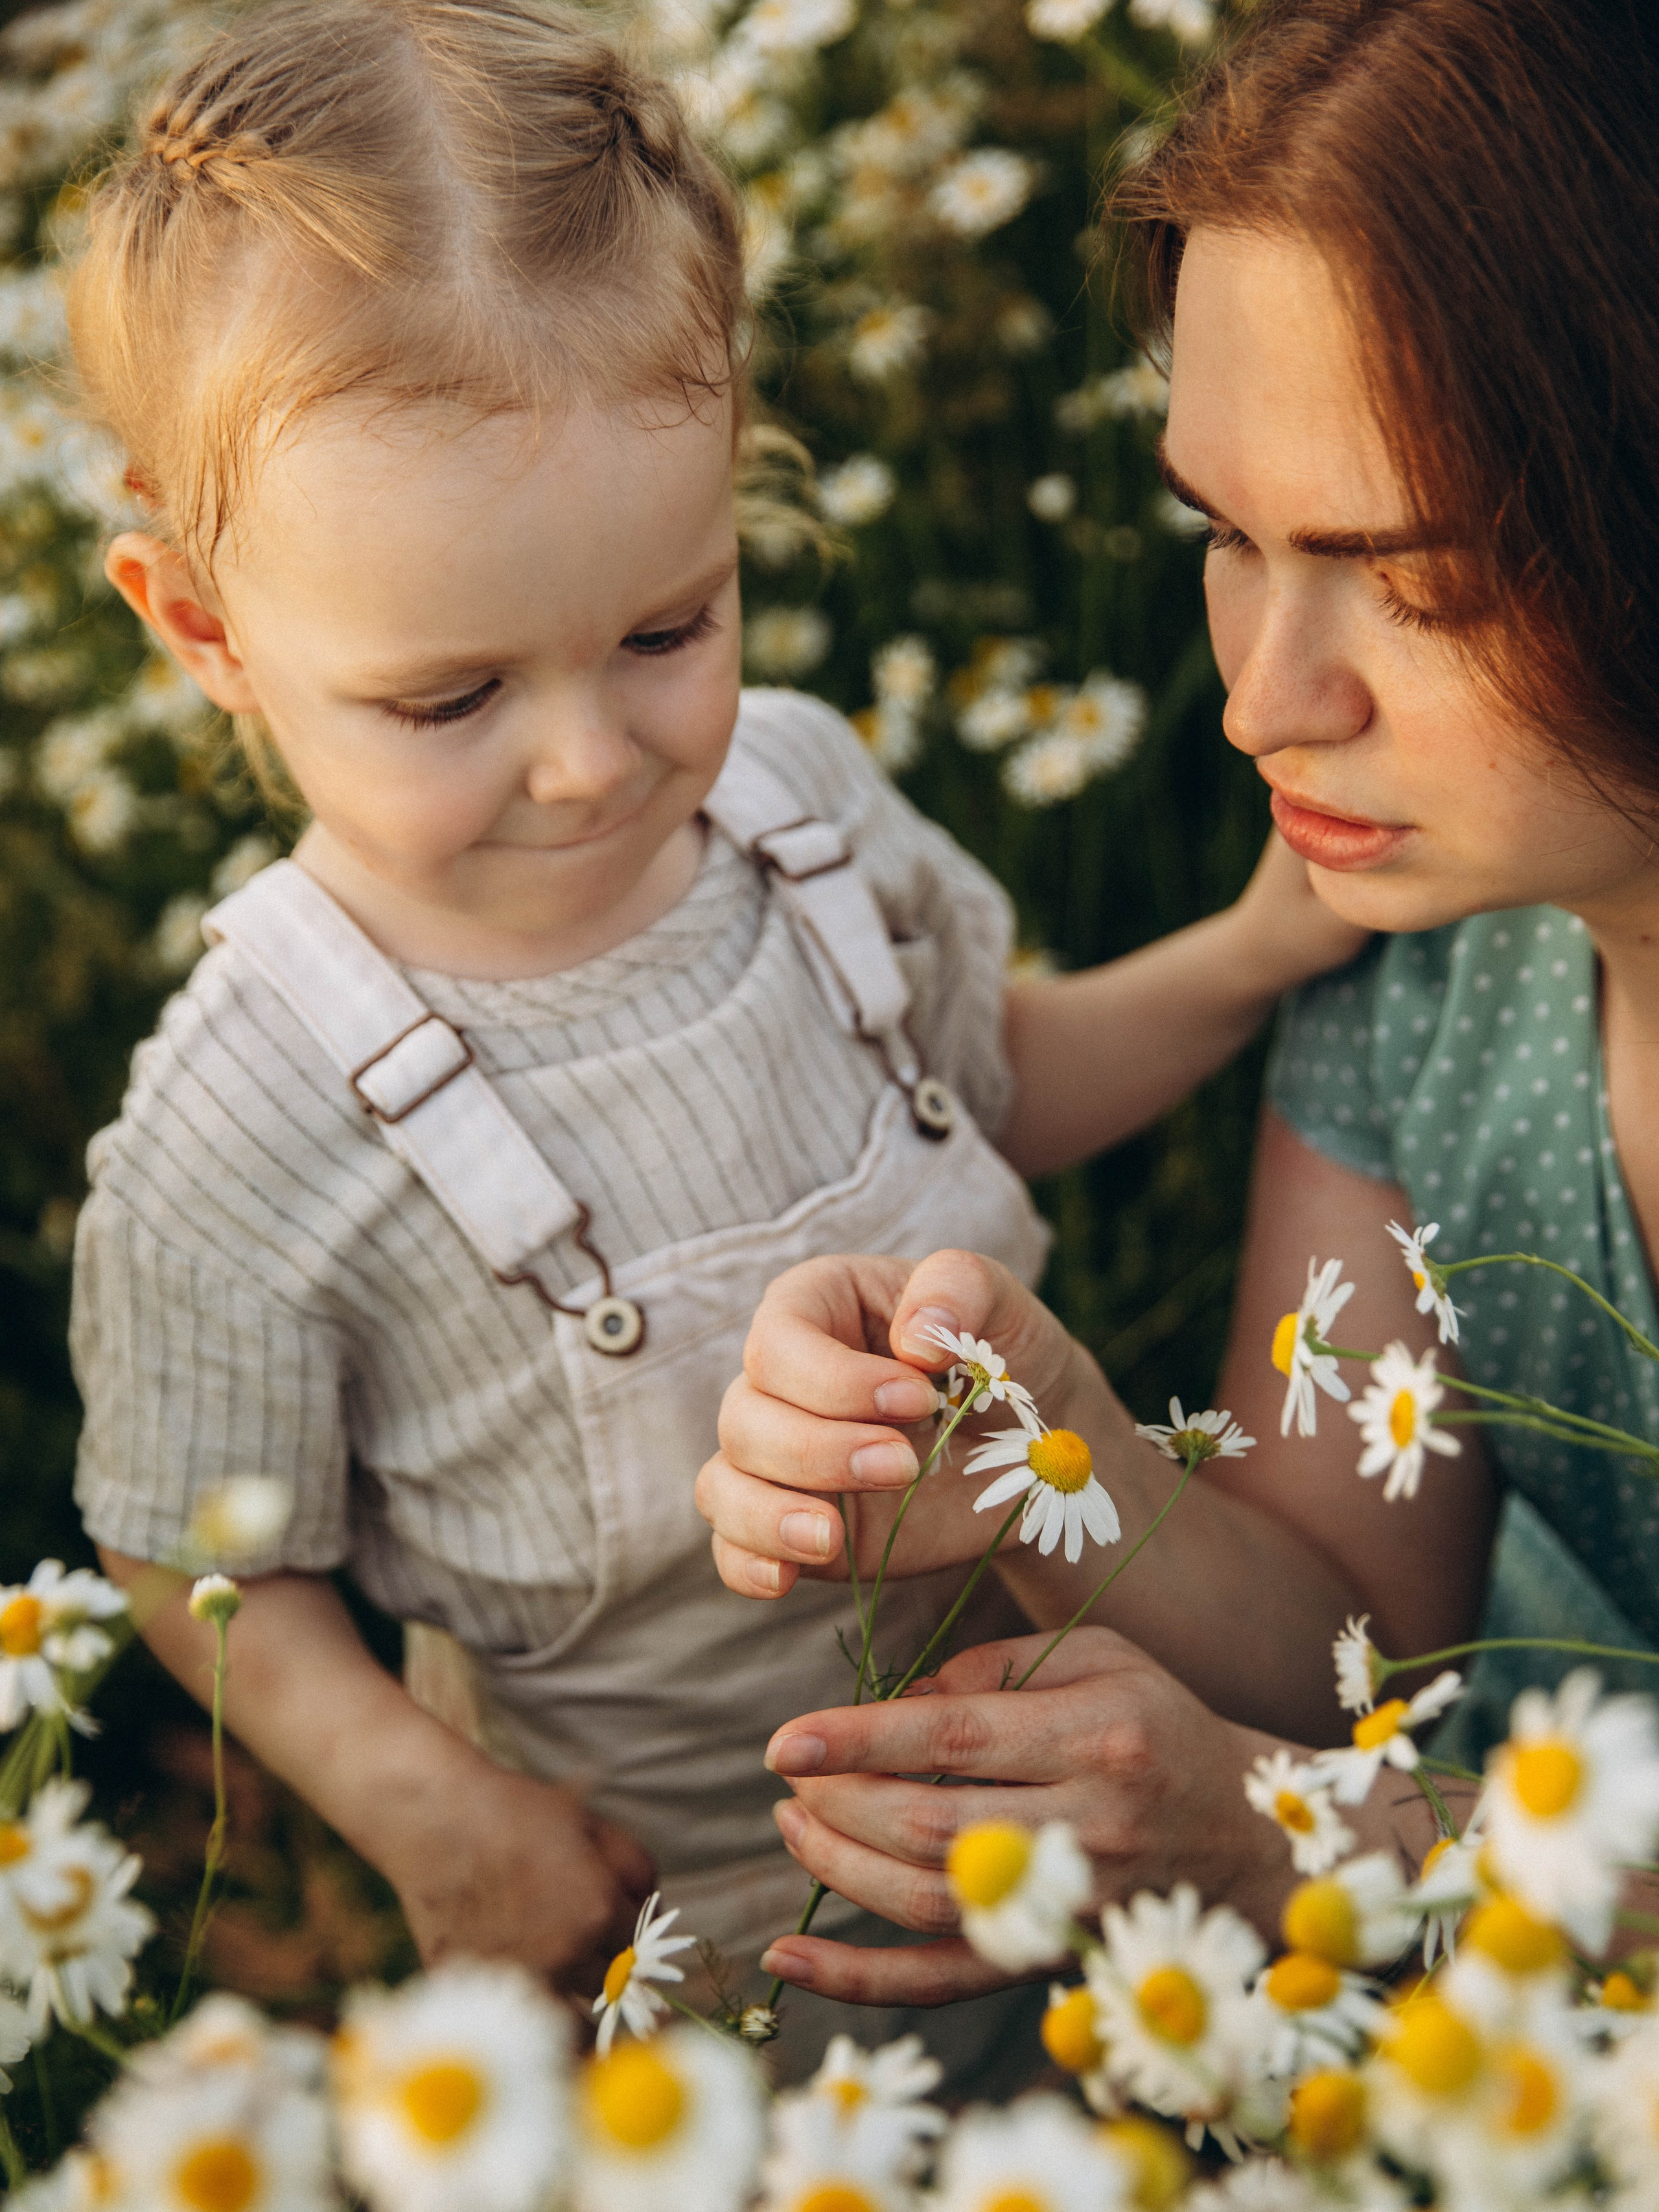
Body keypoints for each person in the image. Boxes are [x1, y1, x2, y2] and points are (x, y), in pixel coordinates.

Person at [62, 0, 1358, 2073]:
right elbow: (188, 1538)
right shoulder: (251, 1121)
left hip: (1117, 1801)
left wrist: (1244, 954)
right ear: (202, 626)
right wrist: (428, 1813)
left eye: (669, 627)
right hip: (712, 1950)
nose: (591, 760)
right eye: (452, 698)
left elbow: (987, 1080)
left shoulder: (799, 804)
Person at [694, 0, 1659, 2011]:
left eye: (1418, 576)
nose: (1259, 705)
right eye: (1226, 534)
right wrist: (1048, 1454)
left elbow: (1328, 1776)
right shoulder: (1421, 959)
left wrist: (1324, 1844)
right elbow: (1358, 1631)